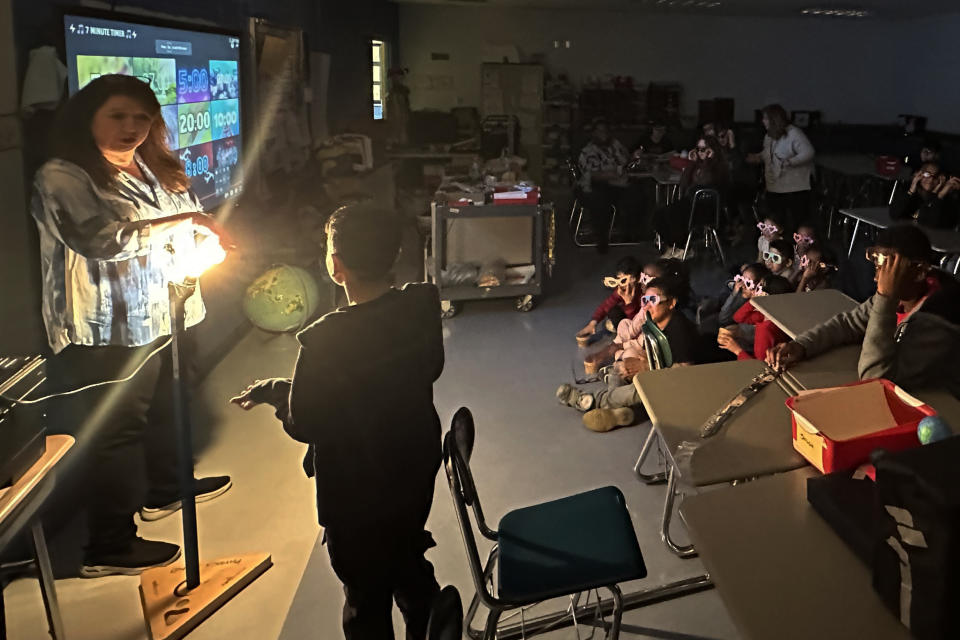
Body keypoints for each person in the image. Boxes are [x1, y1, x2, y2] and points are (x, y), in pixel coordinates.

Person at [30, 75, 233, 576]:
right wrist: (186, 228)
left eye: (142, 118)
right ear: (88, 117)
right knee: (118, 430)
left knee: (168, 403)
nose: (131, 128)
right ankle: (110, 545)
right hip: (108, 329)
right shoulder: (62, 175)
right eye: (118, 116)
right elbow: (101, 240)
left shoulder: (151, 166)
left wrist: (207, 239)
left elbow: (187, 217)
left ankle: (167, 489)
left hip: (164, 310)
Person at [230, 204, 444, 640]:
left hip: (355, 498)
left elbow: (308, 421)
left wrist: (276, 394)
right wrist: (281, 387)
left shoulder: (324, 339)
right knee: (405, 554)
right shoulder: (421, 305)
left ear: (336, 266)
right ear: (395, 254)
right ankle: (430, 620)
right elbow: (381, 379)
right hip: (412, 474)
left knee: (365, 598)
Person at [767, 225, 960, 398]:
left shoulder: (941, 320)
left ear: (919, 273)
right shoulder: (907, 293)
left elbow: (875, 378)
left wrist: (886, 298)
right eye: (878, 268)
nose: (878, 279)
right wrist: (802, 345)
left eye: (890, 272)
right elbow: (849, 323)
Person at [557, 276, 700, 432]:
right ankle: (623, 413)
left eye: (653, 300)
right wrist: (637, 362)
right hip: (660, 372)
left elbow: (686, 374)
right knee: (618, 369)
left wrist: (646, 366)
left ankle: (590, 401)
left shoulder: (679, 328)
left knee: (633, 389)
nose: (647, 306)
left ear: (671, 303)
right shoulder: (652, 320)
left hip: (678, 386)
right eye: (644, 301)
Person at [654, 136, 730, 258]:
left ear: (712, 150)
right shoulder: (697, 164)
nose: (700, 152)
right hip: (692, 203)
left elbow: (706, 181)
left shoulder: (718, 167)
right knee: (660, 214)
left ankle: (683, 247)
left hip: (708, 207)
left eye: (703, 149)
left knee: (672, 214)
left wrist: (708, 161)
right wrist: (691, 164)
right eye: (698, 149)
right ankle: (673, 246)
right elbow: (683, 184)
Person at [747, 104, 815, 232]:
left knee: (794, 225)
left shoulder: (793, 133)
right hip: (774, 187)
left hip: (793, 189)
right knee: (776, 225)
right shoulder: (769, 136)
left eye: (766, 118)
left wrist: (790, 162)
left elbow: (808, 152)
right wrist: (754, 157)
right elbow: (767, 154)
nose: (763, 121)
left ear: (774, 119)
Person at [578, 118, 631, 253]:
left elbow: (626, 161)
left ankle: (632, 234)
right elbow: (592, 174)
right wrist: (613, 174)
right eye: (600, 130)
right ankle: (601, 239)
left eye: (606, 130)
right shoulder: (588, 151)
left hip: (618, 184)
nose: (603, 133)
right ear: (594, 133)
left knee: (637, 194)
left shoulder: (615, 145)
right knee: (601, 200)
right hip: (594, 186)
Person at [718, 275, 792, 360]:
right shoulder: (766, 316)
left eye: (757, 289)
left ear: (766, 297)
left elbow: (760, 366)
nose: (753, 292)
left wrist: (736, 350)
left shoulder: (765, 328)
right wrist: (753, 301)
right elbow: (738, 317)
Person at [577, 256, 642, 341]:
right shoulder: (621, 290)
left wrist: (629, 303)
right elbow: (606, 305)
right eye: (618, 280)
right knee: (614, 311)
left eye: (623, 280)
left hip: (640, 324)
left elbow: (638, 322)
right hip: (629, 318)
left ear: (634, 278)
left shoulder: (643, 293)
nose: (620, 285)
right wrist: (592, 324)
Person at [890, 162, 960, 229]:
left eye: (935, 176)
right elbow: (894, 214)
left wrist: (939, 195)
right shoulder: (908, 190)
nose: (931, 179)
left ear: (941, 179)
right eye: (927, 174)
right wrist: (911, 191)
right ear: (919, 175)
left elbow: (931, 224)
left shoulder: (946, 199)